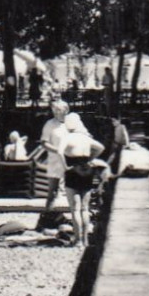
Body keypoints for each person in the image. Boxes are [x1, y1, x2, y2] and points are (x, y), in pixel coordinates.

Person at [60, 114, 106, 247]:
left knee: (75, 209)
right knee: (85, 209)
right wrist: (91, 158)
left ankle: (77, 240)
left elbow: (58, 151)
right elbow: (101, 147)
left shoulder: (67, 137)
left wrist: (65, 167)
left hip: (73, 171)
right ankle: (86, 240)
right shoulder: (86, 138)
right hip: (87, 171)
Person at [39, 100, 71, 215]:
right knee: (53, 191)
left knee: (73, 190)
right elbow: (44, 142)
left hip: (71, 160)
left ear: (66, 110)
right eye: (54, 110)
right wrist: (58, 151)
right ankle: (48, 216)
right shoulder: (49, 124)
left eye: (59, 110)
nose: (56, 113)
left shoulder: (71, 123)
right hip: (55, 161)